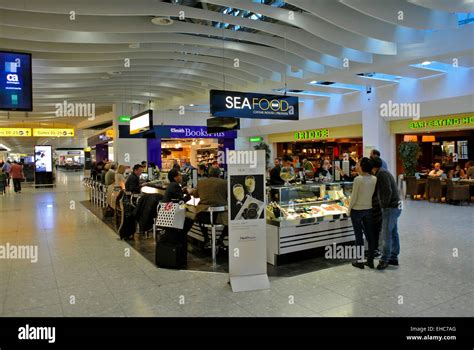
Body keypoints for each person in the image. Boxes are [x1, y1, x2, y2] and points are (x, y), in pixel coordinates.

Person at [371, 157, 402, 270]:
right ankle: (393, 256)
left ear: (373, 167)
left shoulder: (381, 174)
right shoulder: (384, 172)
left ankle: (384, 259)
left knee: (386, 233)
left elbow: (387, 191)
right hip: (396, 206)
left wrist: (383, 205)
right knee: (393, 232)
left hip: (391, 207)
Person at [347, 157, 377, 269]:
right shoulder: (374, 179)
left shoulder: (358, 179)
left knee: (359, 236)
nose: (357, 166)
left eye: (359, 164)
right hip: (368, 209)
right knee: (370, 236)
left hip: (357, 210)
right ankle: (370, 260)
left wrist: (349, 210)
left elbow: (354, 197)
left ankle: (360, 261)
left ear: (363, 166)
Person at [162, 169, 194, 267]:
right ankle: (183, 242)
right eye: (180, 175)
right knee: (192, 218)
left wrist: (182, 192)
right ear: (176, 177)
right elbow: (180, 204)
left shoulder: (172, 185)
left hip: (168, 215)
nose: (181, 176)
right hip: (174, 216)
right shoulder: (175, 186)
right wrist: (188, 197)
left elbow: (176, 200)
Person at [192, 167, 228, 249]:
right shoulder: (224, 183)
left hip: (204, 215)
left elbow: (195, 195)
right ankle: (220, 240)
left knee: (199, 218)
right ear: (219, 174)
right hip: (220, 216)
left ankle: (206, 239)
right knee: (232, 220)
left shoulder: (201, 182)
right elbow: (229, 196)